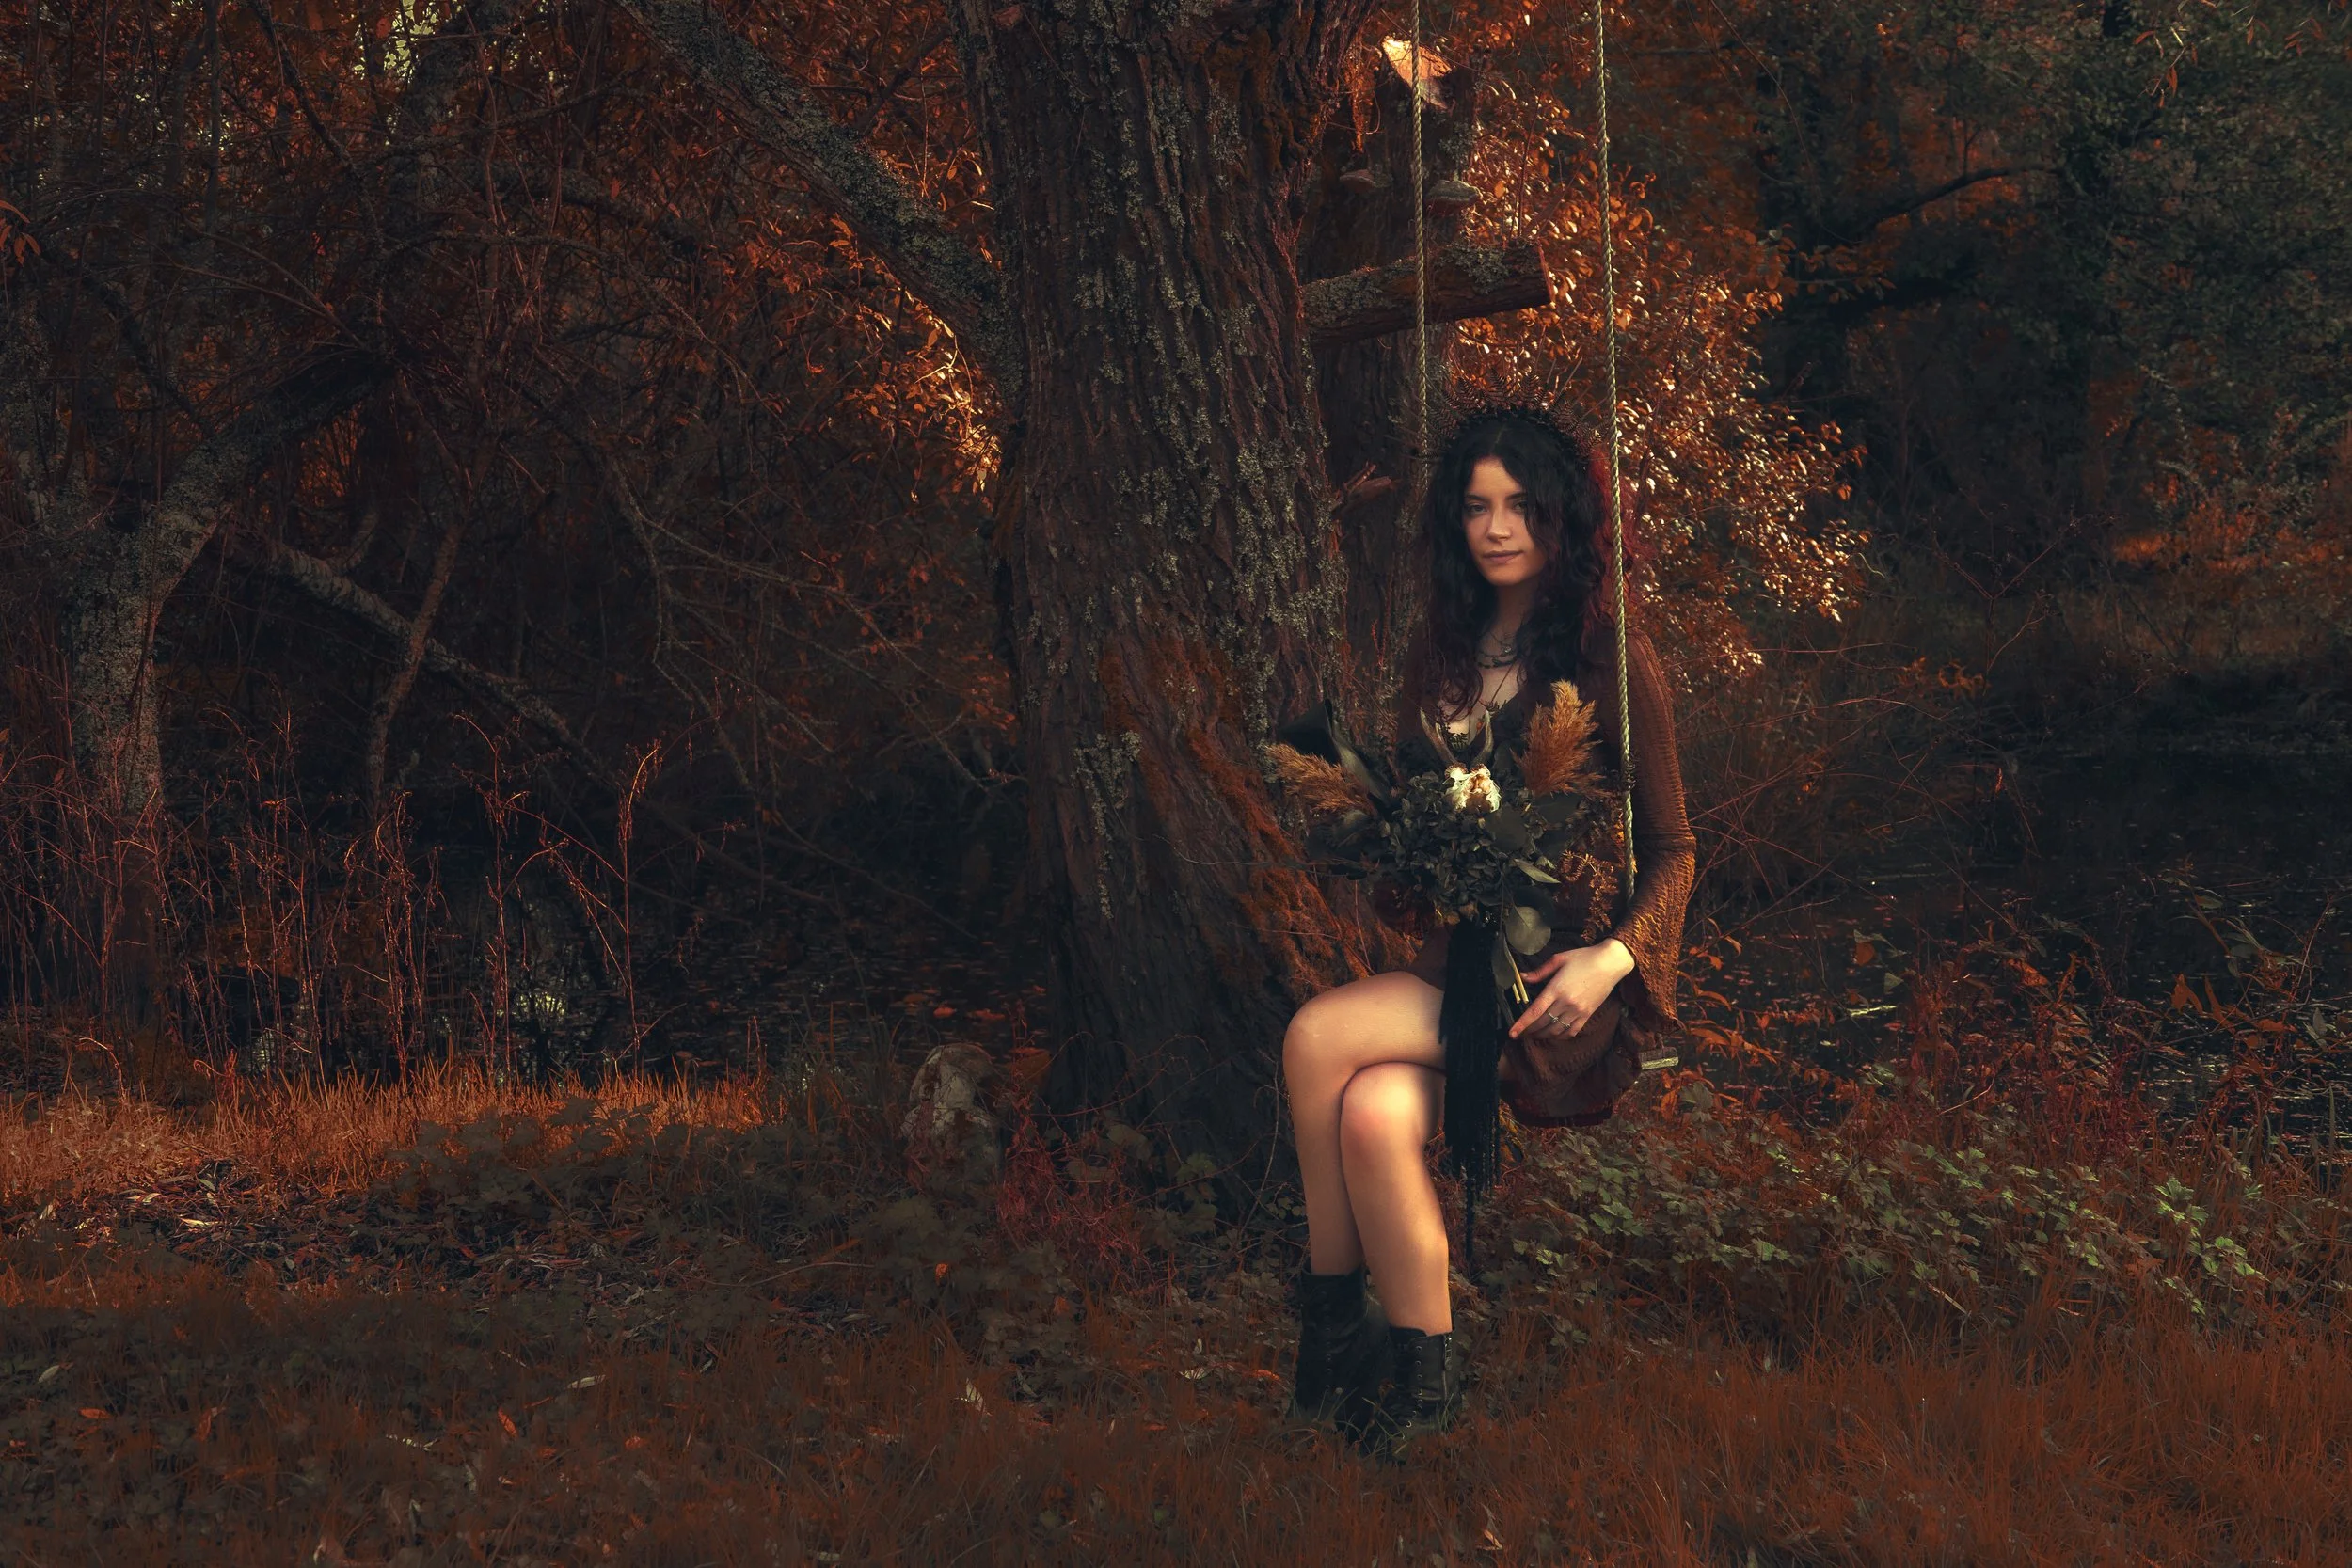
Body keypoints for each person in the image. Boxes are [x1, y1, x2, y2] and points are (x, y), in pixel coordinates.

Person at [1280, 406, 1698, 1458]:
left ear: (1563, 517)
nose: (1497, 526)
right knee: (1372, 1115)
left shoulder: (1612, 659)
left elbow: (1677, 848)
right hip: (1454, 971)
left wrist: (1613, 960)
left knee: (1314, 1040)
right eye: (1476, 505)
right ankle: (1421, 1387)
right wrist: (1408, 860)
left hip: (1553, 988)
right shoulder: (1444, 655)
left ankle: (1327, 1334)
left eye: (1520, 504)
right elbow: (1413, 830)